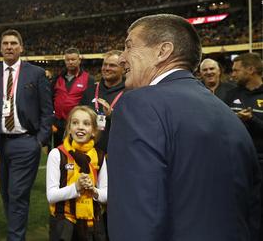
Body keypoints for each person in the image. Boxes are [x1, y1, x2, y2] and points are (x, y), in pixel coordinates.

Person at [108, 14, 261, 241]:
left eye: (129, 46)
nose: (122, 58)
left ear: (163, 51)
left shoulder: (139, 104)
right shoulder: (225, 112)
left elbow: (137, 213)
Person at [0, 29, 53, 241]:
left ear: (21, 48)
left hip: (25, 142)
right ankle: (16, 232)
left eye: (13, 43)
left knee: (17, 194)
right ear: (0, 48)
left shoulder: (35, 73)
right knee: (5, 194)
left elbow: (47, 110)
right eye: (5, 43)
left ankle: (15, 238)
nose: (9, 47)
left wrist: (39, 141)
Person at [47, 106, 107, 241]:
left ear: (93, 131)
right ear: (69, 128)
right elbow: (51, 196)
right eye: (75, 123)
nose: (80, 127)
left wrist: (93, 190)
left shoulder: (100, 156)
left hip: (93, 222)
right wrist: (76, 187)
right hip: (64, 222)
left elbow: (106, 195)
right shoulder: (57, 154)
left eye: (86, 123)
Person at [224, 52, 263, 234]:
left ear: (251, 70)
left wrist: (252, 120)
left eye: (236, 70)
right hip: (235, 161)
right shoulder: (231, 94)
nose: (233, 74)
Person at [80, 50, 125, 153]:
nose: (107, 68)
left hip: (117, 153)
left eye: (112, 65)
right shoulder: (90, 90)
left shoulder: (129, 92)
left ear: (123, 69)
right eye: (105, 64)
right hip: (89, 152)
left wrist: (112, 115)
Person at [53, 47, 95, 146]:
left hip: (77, 124)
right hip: (58, 124)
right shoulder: (58, 78)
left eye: (73, 59)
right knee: (59, 153)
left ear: (79, 60)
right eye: (68, 60)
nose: (70, 62)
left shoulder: (89, 79)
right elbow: (51, 99)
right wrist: (52, 121)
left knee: (76, 153)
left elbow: (89, 104)